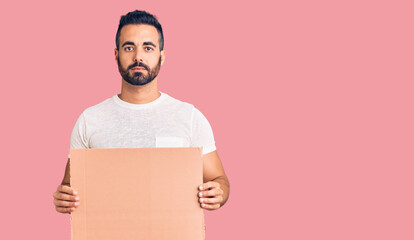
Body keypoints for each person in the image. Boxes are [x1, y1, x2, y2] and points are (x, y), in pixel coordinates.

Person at [53, 10, 230, 214]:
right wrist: (63, 198)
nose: (138, 57)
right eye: (129, 47)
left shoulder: (189, 117)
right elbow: (69, 186)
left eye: (148, 48)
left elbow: (219, 180)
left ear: (161, 56)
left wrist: (219, 192)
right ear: (116, 55)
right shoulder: (89, 120)